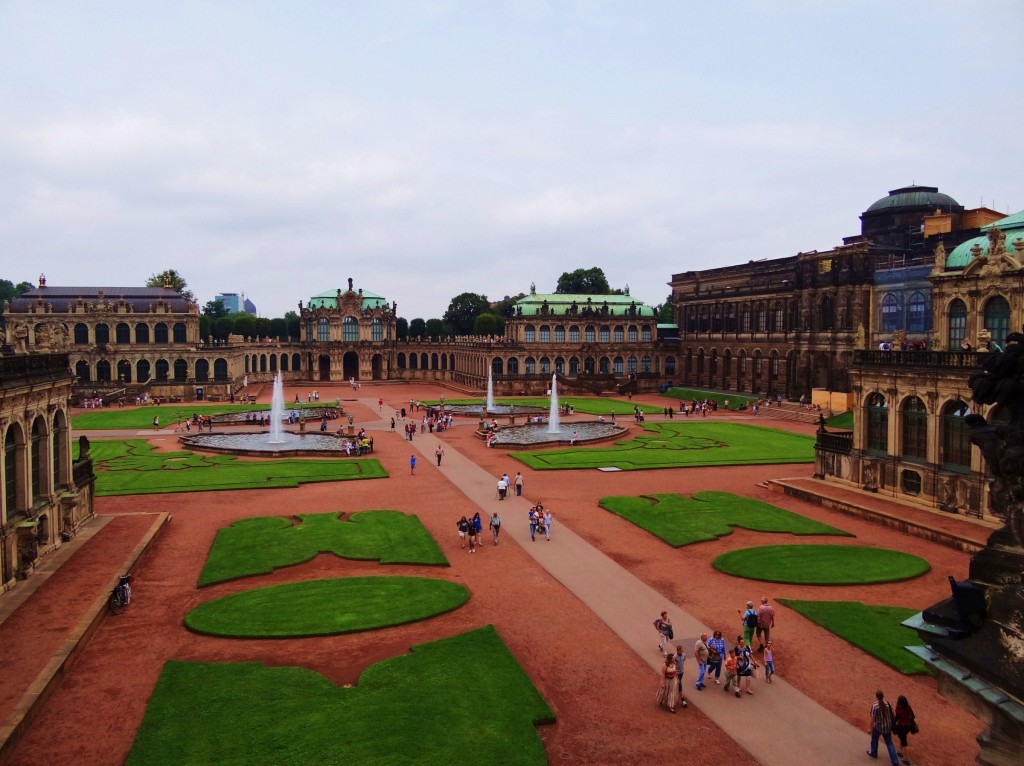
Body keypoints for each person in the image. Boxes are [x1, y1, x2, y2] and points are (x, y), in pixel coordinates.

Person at [867, 690, 900, 766]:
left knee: (874, 739)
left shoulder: (875, 705)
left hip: (878, 726)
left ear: (876, 697)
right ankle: (895, 762)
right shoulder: (888, 704)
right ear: (883, 696)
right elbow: (893, 715)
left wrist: (870, 728)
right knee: (889, 743)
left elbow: (873, 718)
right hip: (887, 726)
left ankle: (873, 752)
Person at [892, 695, 917, 764]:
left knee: (904, 743)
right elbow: (913, 716)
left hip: (901, 726)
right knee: (902, 738)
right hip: (908, 726)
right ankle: (900, 752)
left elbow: (896, 718)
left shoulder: (898, 708)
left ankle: (907, 759)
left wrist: (892, 722)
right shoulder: (908, 707)